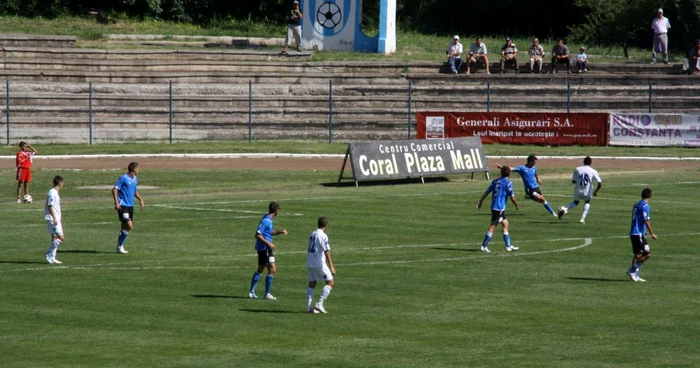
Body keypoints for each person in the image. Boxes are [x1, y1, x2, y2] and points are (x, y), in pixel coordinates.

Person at [249, 201, 288, 300]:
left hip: (267, 249)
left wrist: (280, 231)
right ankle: (258, 292)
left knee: (271, 270)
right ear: (276, 210)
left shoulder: (268, 219)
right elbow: (257, 234)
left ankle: (261, 293)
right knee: (265, 269)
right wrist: (269, 243)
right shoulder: (266, 220)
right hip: (264, 249)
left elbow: (268, 232)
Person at [476, 166, 520, 252]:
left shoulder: (495, 181)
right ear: (509, 173)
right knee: (493, 225)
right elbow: (512, 197)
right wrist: (516, 204)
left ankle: (508, 246)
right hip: (499, 208)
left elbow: (487, 192)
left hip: (495, 207)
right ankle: (484, 246)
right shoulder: (508, 183)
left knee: (505, 224)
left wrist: (480, 202)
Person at [626, 188, 658, 282]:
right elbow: (646, 219)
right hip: (637, 234)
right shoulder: (645, 206)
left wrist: (644, 231)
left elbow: (637, 219)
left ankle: (634, 274)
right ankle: (632, 271)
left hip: (638, 232)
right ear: (650, 196)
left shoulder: (637, 204)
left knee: (640, 254)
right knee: (645, 254)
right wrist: (652, 233)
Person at [112, 162, 145, 254]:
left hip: (130, 206)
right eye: (138, 169)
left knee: (124, 227)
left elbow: (134, 191)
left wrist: (140, 199)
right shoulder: (123, 178)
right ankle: (119, 245)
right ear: (134, 170)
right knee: (129, 226)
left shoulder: (135, 179)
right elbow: (115, 189)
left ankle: (119, 246)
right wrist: (116, 202)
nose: (139, 170)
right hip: (123, 205)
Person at [557, 156, 602, 224]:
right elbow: (600, 183)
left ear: (583, 162)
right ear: (590, 163)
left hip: (578, 190)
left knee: (575, 202)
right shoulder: (593, 171)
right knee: (587, 202)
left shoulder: (578, 169)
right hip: (587, 190)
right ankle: (582, 219)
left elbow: (573, 181)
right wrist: (596, 191)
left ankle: (565, 209)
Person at [306, 217, 336, 314]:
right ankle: (319, 303)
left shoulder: (313, 233)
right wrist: (331, 266)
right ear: (326, 225)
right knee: (330, 282)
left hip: (309, 262)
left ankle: (310, 307)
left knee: (312, 283)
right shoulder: (322, 235)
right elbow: (327, 251)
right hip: (318, 263)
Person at [44, 176, 65, 264]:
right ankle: (48, 253)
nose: (63, 184)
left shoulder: (54, 192)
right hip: (53, 219)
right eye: (63, 183)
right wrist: (55, 218)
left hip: (54, 218)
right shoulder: (52, 193)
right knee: (61, 237)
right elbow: (50, 206)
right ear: (60, 183)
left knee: (54, 237)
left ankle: (52, 257)